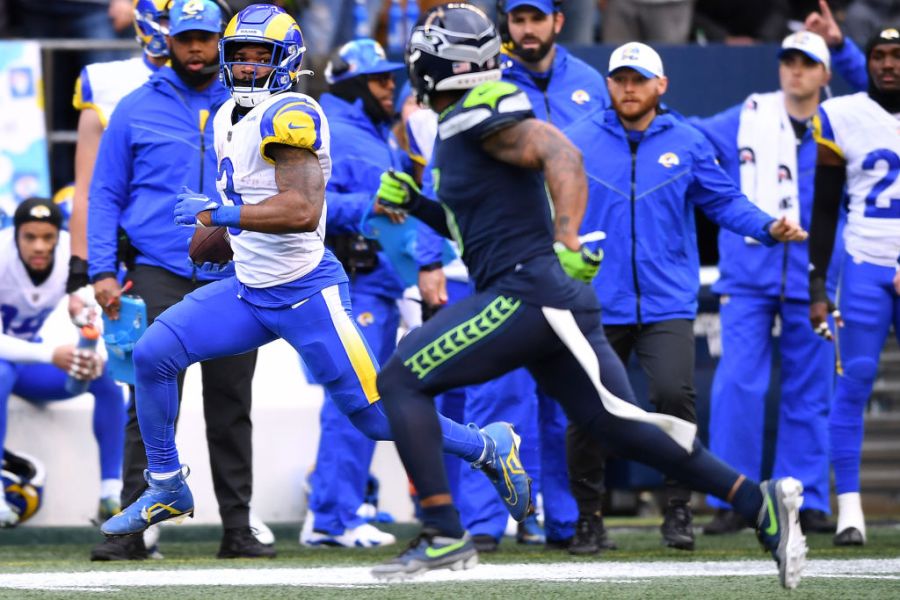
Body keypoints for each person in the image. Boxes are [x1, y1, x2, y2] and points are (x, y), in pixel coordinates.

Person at [370, 4, 808, 589]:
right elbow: (480, 226)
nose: (415, 61)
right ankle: (761, 504)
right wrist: (420, 203)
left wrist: (567, 233)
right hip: (535, 291)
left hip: (528, 290)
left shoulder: (484, 107)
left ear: (447, 64)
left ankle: (443, 529)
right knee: (622, 428)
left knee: (400, 379)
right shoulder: (459, 124)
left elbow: (561, 154)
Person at [98, 2, 533, 542]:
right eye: (240, 56)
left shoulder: (291, 113)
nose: (250, 67)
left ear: (288, 61)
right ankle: (165, 483)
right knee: (151, 354)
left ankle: (488, 446)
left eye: (264, 57)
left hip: (306, 293)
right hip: (250, 290)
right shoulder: (228, 118)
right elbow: (249, 199)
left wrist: (220, 216)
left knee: (373, 417)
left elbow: (301, 211)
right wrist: (223, 242)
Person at [562, 41, 813, 553]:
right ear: (608, 84)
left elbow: (724, 201)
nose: (628, 88)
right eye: (619, 79)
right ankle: (588, 518)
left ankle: (677, 510)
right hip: (594, 299)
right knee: (587, 409)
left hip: (666, 302)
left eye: (638, 78)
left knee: (674, 398)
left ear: (661, 85)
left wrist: (767, 226)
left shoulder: (689, 141)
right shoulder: (576, 140)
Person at [87, 0, 272, 561]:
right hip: (156, 271)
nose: (195, 48)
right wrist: (99, 269)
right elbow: (105, 193)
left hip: (236, 272)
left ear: (221, 42)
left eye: (206, 38)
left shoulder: (256, 109)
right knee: (147, 401)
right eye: (186, 37)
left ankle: (237, 528)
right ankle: (130, 531)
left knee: (231, 400)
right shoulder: (133, 108)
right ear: (168, 39)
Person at [435, 0, 610, 553]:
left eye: (537, 18)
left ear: (559, 21)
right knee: (495, 394)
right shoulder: (482, 80)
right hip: (499, 262)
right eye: (517, 19)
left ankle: (562, 520)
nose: (527, 29)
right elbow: (441, 169)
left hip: (565, 257)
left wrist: (574, 239)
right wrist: (428, 258)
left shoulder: (592, 83)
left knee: (563, 400)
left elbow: (591, 167)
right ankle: (486, 522)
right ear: (505, 26)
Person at [692, 31, 847, 538]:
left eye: (807, 62)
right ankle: (734, 497)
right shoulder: (747, 115)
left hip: (817, 277)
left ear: (825, 74)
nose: (795, 70)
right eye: (788, 61)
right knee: (738, 383)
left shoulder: (844, 123)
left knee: (811, 390)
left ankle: (805, 498)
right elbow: (692, 135)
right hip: (749, 271)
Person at [300, 38, 407, 549]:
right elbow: (305, 204)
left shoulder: (370, 130)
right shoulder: (331, 128)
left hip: (379, 284)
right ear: (354, 83)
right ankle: (331, 516)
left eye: (392, 78)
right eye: (381, 79)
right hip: (355, 282)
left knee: (365, 397)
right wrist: (373, 202)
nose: (392, 87)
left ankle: (339, 505)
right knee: (354, 399)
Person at [809, 25, 900, 547]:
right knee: (854, 381)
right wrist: (818, 284)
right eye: (879, 56)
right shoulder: (843, 115)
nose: (887, 64)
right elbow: (824, 210)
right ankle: (850, 511)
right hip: (865, 262)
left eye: (896, 55)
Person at [0, 198, 124, 528]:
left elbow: (90, 306)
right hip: (12, 364)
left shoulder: (72, 253)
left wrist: (86, 326)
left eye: (47, 237)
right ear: (16, 235)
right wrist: (50, 355)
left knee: (106, 375)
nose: (40, 246)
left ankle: (112, 495)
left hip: (29, 364)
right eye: (30, 237)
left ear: (59, 236)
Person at [67, 0, 169, 297]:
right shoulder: (107, 82)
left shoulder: (223, 88)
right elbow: (87, 189)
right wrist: (81, 266)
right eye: (165, 19)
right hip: (129, 246)